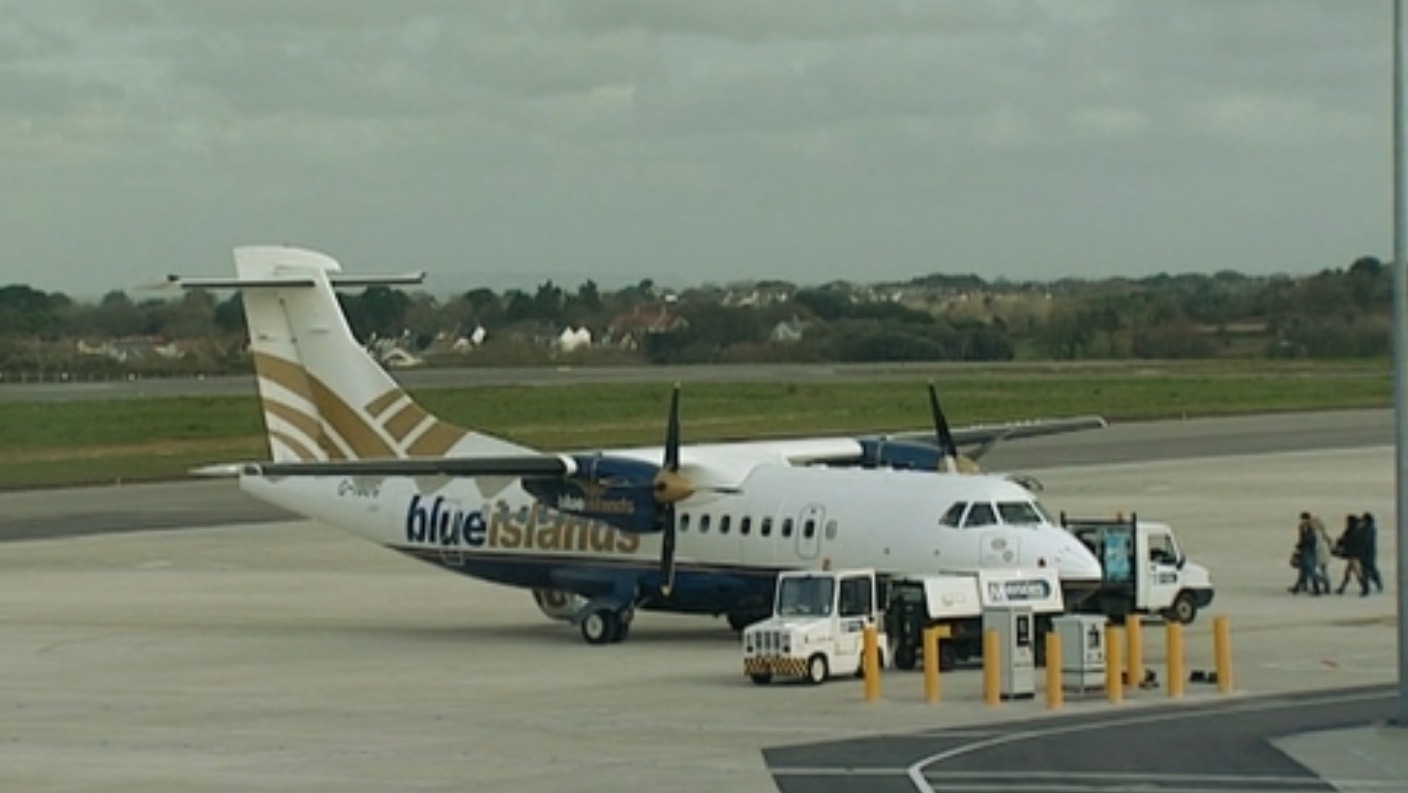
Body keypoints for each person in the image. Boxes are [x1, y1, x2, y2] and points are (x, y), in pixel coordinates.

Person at [1290, 512, 1324, 595]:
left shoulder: (1308, 527)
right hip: (1309, 550)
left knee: (1309, 569)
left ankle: (1317, 588)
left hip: (1307, 551)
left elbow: (1308, 539)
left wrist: (1300, 545)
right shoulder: (1311, 526)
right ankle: (1298, 587)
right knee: (1304, 570)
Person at [1335, 514, 1366, 596]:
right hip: (1354, 554)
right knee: (1349, 572)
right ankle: (1342, 588)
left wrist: (1340, 543)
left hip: (1353, 555)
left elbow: (1348, 541)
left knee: (1355, 572)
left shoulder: (1352, 531)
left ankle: (1365, 588)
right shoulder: (1357, 530)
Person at [1360, 512, 1384, 595]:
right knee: (1370, 569)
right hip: (1369, 552)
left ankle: (1367, 588)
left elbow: (1365, 541)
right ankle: (1375, 584)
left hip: (1367, 553)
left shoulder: (1368, 529)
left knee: (1367, 570)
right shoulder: (1370, 528)